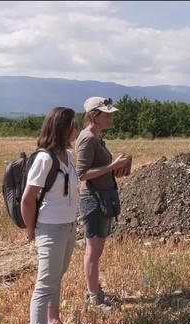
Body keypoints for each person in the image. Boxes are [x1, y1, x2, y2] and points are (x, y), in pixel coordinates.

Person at [21, 107, 80, 324]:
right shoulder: (44, 159)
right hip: (50, 227)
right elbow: (27, 198)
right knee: (45, 283)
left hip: (68, 226)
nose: (77, 130)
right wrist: (31, 230)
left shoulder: (67, 155)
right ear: (63, 128)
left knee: (57, 276)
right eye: (74, 126)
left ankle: (54, 320)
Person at [75, 97, 132, 311]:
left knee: (96, 250)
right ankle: (94, 297)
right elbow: (82, 174)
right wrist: (112, 166)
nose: (110, 117)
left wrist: (113, 167)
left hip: (102, 197)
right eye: (106, 114)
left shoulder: (96, 137)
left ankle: (94, 290)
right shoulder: (88, 139)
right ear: (92, 116)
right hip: (94, 198)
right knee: (93, 249)